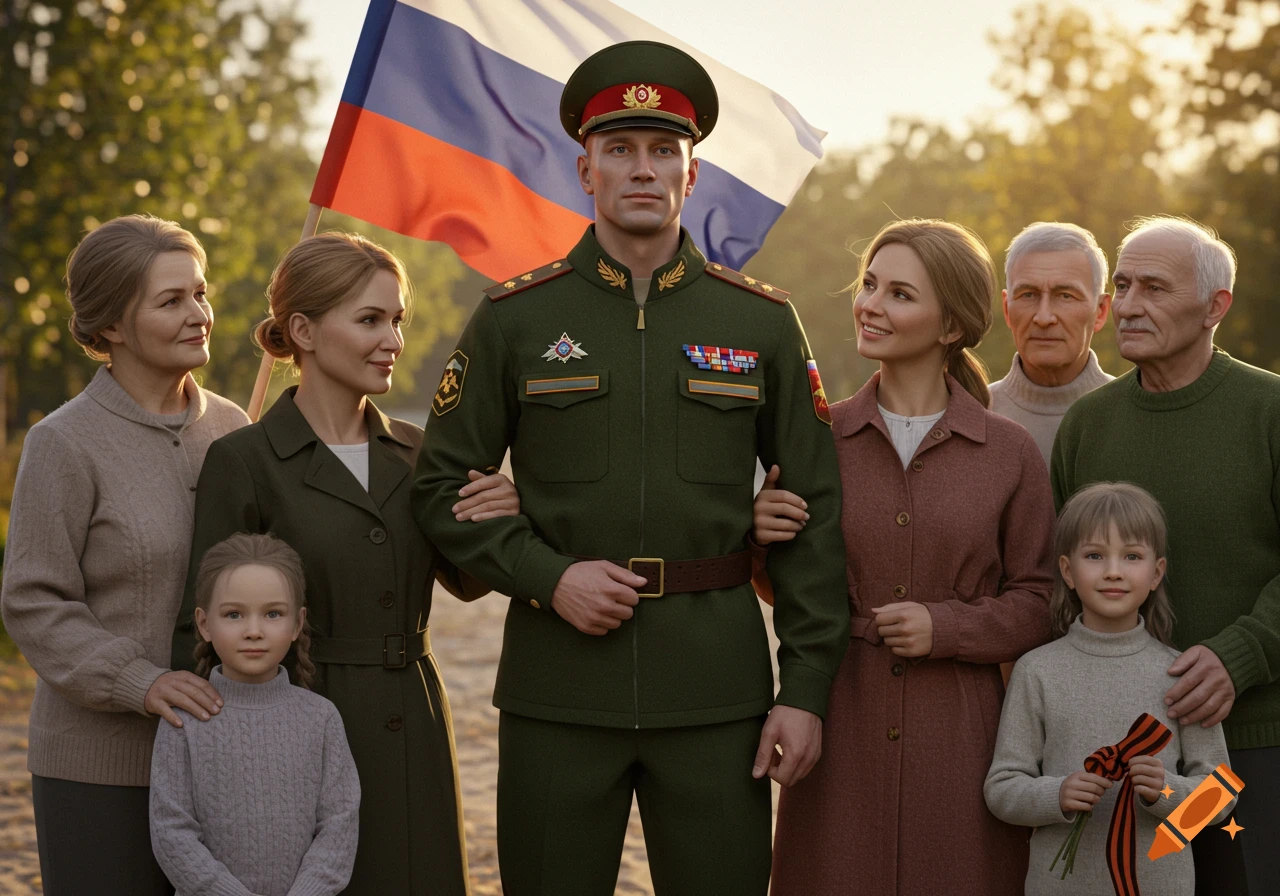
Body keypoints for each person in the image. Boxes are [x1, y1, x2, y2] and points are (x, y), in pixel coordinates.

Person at [411, 40, 848, 896]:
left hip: (716, 694)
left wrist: (805, 688)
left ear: (692, 173)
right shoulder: (515, 319)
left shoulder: (760, 324)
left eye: (662, 150)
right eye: (619, 149)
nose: (642, 168)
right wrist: (548, 576)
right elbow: (438, 488)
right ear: (586, 170)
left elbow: (816, 514)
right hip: (558, 690)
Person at [170, 232, 521, 895]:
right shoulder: (242, 460)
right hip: (291, 722)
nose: (393, 340)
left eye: (397, 320)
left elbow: (469, 580)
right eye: (370, 320)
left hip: (414, 720)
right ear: (303, 330)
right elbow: (200, 632)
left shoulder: (420, 452)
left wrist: (497, 512)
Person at [755, 218, 1056, 896]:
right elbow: (791, 588)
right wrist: (760, 540)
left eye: (899, 294)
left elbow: (1040, 604)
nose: (870, 305)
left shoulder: (1009, 453)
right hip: (839, 718)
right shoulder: (818, 437)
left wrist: (946, 626)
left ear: (951, 326)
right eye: (868, 285)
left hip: (961, 739)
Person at [0, 215, 248, 896]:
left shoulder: (235, 429)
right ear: (110, 325)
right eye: (171, 301)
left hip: (220, 762)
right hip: (100, 771)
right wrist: (140, 681)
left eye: (200, 293)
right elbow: (33, 601)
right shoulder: (63, 443)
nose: (199, 314)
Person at [1052, 215, 1280, 895]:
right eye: (1122, 285)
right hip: (1125, 761)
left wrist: (1241, 654)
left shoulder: (1269, 411)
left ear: (1215, 306)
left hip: (1248, 751)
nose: (1127, 305)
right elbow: (1059, 582)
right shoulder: (1088, 425)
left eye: (1154, 287)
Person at [984, 482, 1232, 896]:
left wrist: (1167, 791)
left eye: (1131, 556)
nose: (1113, 571)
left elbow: (1221, 800)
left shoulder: (1181, 673)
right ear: (1067, 571)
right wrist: (1057, 794)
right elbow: (1002, 789)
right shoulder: (1037, 671)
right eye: (1095, 556)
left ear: (1156, 573)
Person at [151, 533, 360, 896]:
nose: (253, 631)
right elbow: (171, 833)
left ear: (297, 623)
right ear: (204, 623)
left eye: (273, 614)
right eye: (233, 614)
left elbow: (339, 826)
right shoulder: (185, 719)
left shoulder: (321, 718)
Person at [989, 222, 1114, 464]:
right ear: (1006, 309)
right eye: (1028, 295)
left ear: (1100, 311)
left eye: (1066, 296)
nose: (1044, 318)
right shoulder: (971, 417)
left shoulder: (1135, 417)